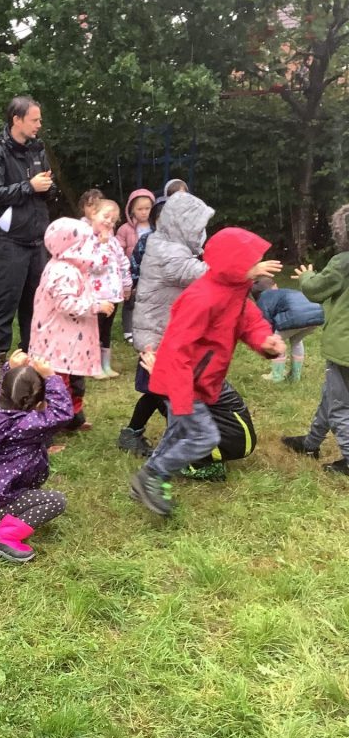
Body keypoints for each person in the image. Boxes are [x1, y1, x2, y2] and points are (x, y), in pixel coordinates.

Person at [129, 227, 285, 516]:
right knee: (204, 437)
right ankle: (154, 475)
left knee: (177, 434)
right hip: (181, 382)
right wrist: (182, 397)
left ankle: (146, 481)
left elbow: (250, 322)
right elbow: (177, 348)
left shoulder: (235, 292)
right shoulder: (203, 297)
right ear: (232, 264)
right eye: (251, 262)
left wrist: (265, 341)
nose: (258, 267)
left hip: (201, 381)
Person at [119, 191, 214, 456]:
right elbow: (201, 274)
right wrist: (239, 267)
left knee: (157, 389)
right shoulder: (168, 251)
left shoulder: (170, 245)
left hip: (163, 329)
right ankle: (179, 437)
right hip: (158, 333)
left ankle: (134, 432)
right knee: (165, 389)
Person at [0, 350, 73, 563]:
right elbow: (62, 413)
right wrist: (51, 378)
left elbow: (1, 390)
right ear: (37, 405)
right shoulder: (24, 426)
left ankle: (1, 524)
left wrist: (10, 371)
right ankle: (3, 538)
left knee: (32, 492)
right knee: (56, 501)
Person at [0, 96, 56, 376]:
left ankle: (31, 349)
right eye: (34, 120)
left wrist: (47, 187)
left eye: (40, 120)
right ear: (17, 120)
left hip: (37, 237)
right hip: (10, 239)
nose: (39, 125)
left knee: (35, 300)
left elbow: (45, 189)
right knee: (7, 298)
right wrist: (29, 186)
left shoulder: (38, 149)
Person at [281, 203, 349, 475]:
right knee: (332, 395)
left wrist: (306, 276)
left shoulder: (343, 263)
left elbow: (315, 290)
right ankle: (310, 443)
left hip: (344, 347)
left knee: (339, 406)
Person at [29, 218, 114, 428]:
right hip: (57, 340)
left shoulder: (71, 267)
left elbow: (98, 263)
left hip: (68, 340)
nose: (89, 246)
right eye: (85, 242)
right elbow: (66, 303)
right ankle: (50, 424)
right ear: (72, 246)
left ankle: (74, 417)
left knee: (74, 378)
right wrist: (96, 306)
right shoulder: (62, 271)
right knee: (56, 382)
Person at [137, 348, 257, 482]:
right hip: (236, 437)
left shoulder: (195, 375)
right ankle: (133, 433)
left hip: (235, 440)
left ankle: (207, 466)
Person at [82, 195, 131, 378]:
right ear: (93, 214)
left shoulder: (113, 241)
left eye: (113, 219)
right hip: (96, 296)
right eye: (106, 216)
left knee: (106, 330)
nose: (109, 221)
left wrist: (127, 284)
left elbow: (123, 262)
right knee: (95, 330)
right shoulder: (88, 240)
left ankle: (106, 365)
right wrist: (101, 245)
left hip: (113, 294)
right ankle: (93, 366)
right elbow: (95, 266)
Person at [251, 277, 324, 382]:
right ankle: (295, 376)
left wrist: (271, 337)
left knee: (277, 341)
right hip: (317, 314)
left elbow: (267, 320)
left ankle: (277, 376)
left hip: (296, 316)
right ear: (274, 286)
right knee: (296, 340)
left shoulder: (263, 299)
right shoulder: (285, 291)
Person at [115, 188, 154, 343]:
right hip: (131, 270)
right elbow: (118, 249)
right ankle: (128, 330)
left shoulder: (155, 228)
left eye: (147, 208)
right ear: (131, 209)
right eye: (140, 209)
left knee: (148, 300)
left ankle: (145, 327)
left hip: (151, 270)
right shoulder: (124, 229)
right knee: (130, 301)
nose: (144, 212)